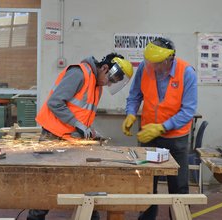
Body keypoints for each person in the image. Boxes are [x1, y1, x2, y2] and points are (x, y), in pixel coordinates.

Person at [27, 53, 133, 220]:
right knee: (47, 184)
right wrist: (77, 124)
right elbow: (55, 102)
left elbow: (82, 114)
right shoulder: (79, 74)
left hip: (73, 139)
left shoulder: (96, 85)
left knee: (83, 181)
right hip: (53, 137)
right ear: (105, 68)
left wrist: (90, 130)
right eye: (110, 80)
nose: (109, 84)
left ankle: (90, 216)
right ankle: (34, 218)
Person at [122, 37, 197, 220]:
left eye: (156, 64)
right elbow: (134, 96)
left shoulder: (186, 72)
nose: (152, 68)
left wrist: (163, 127)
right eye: (149, 63)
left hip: (176, 139)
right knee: (146, 186)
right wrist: (131, 113)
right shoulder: (145, 67)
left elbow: (188, 111)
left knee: (178, 188)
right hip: (149, 137)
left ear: (169, 59)